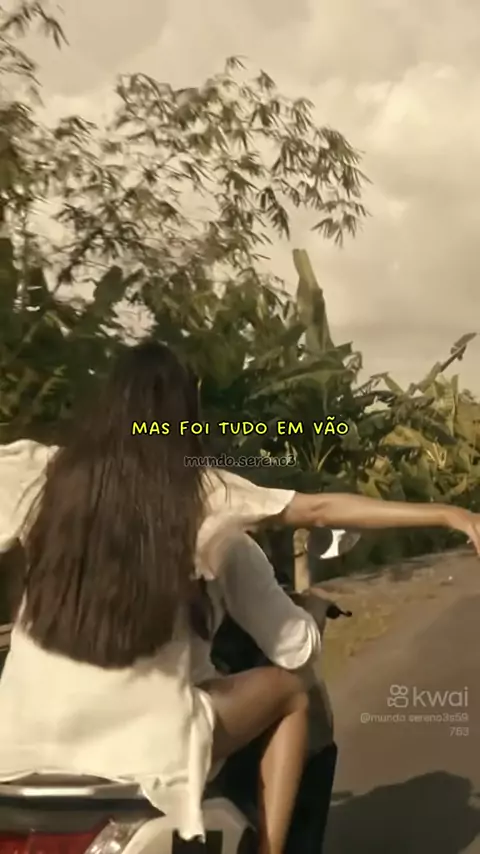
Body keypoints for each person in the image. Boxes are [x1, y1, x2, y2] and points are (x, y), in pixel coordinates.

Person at [0, 342, 479, 854]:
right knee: (290, 692)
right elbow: (318, 511)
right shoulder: (201, 491)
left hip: (16, 745)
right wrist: (449, 514)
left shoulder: (39, 471)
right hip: (141, 746)